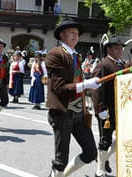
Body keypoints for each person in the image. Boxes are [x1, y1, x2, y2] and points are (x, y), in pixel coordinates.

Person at [45, 18, 101, 177]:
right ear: (62, 35)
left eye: (77, 33)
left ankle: (64, 175)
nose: (75, 36)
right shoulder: (55, 54)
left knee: (90, 152)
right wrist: (85, 85)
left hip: (79, 112)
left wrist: (90, 87)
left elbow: (77, 83)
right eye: (71, 33)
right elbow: (59, 88)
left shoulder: (76, 55)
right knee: (60, 160)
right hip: (62, 112)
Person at [92, 35, 129, 177]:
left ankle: (103, 159)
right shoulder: (103, 64)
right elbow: (97, 88)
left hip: (119, 108)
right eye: (117, 48)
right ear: (109, 49)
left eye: (121, 48)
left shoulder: (121, 63)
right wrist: (100, 108)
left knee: (121, 137)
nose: (120, 51)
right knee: (105, 139)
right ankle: (99, 170)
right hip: (106, 109)